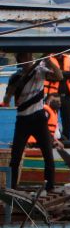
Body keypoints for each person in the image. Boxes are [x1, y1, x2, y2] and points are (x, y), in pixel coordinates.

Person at [3, 53, 62, 191]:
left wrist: (49, 61)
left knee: (48, 154)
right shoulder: (15, 77)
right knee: (15, 157)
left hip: (39, 119)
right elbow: (7, 100)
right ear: (20, 60)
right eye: (26, 57)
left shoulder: (39, 71)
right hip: (23, 119)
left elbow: (59, 76)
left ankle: (50, 187)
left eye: (30, 57)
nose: (29, 59)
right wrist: (14, 87)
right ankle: (12, 187)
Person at [43, 52, 70, 141]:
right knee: (51, 118)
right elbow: (49, 76)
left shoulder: (68, 58)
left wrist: (61, 74)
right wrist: (66, 74)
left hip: (67, 96)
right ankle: (51, 140)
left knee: (67, 120)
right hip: (52, 96)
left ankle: (66, 140)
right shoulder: (47, 60)